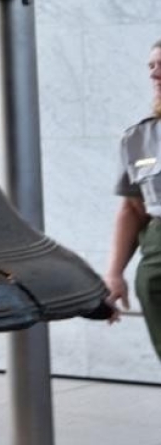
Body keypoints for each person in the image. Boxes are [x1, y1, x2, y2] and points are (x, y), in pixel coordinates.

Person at [105, 40, 161, 359]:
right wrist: (114, 273)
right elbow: (132, 208)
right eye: (152, 66)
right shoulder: (140, 138)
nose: (155, 74)